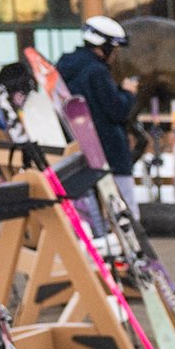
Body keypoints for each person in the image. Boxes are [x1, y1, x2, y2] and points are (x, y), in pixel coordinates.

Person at [55, 16, 140, 215]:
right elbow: (117, 111)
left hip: (78, 150)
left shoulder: (63, 66)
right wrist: (127, 93)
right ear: (104, 47)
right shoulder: (97, 72)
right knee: (126, 212)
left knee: (91, 212)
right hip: (109, 151)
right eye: (115, 50)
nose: (116, 56)